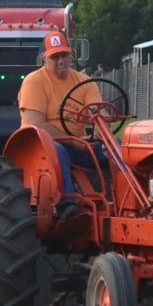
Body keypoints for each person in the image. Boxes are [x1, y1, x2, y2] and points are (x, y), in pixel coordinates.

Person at [17, 31, 100, 213]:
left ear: (71, 55)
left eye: (64, 55)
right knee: (58, 150)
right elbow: (36, 125)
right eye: (55, 56)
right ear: (44, 58)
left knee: (117, 149)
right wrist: (73, 141)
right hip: (41, 147)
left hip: (78, 144)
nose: (61, 60)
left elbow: (99, 112)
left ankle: (132, 204)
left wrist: (101, 132)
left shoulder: (84, 81)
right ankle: (66, 205)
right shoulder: (34, 82)